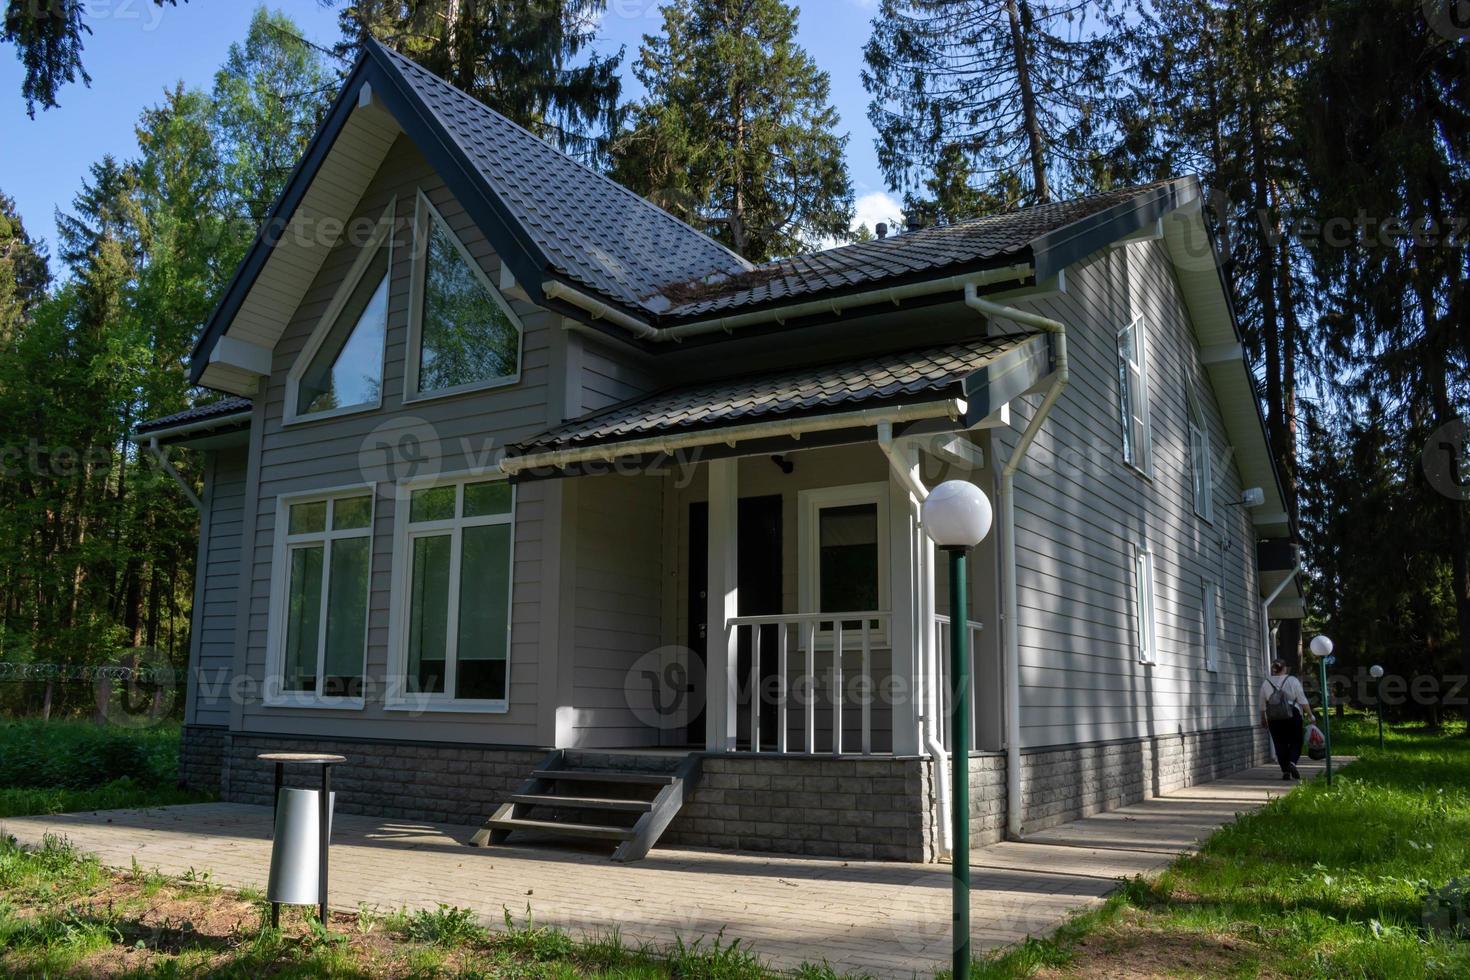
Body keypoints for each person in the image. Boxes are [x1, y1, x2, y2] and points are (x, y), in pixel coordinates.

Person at [1260, 659, 1313, 780]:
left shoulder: (1266, 683)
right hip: (1292, 714)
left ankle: (1285, 772)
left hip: (1274, 717)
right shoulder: (1292, 680)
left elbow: (1262, 703)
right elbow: (1302, 699)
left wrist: (1263, 718)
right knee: (1296, 740)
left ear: (1273, 669)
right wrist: (1310, 714)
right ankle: (1292, 762)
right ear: (1284, 668)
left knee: (1279, 743)